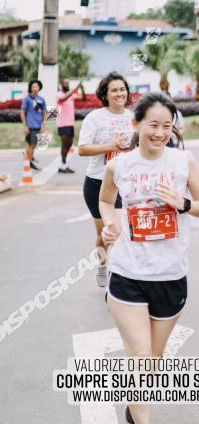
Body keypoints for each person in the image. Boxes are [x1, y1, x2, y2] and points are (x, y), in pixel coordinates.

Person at [100, 92, 199, 424]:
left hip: (170, 275)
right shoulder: (120, 165)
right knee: (141, 356)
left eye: (167, 126)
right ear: (137, 125)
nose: (160, 133)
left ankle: (135, 402)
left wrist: (181, 204)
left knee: (155, 359)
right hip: (128, 272)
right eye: (153, 125)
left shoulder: (184, 161)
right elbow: (105, 200)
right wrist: (111, 228)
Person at [77, 73, 134, 287]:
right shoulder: (95, 118)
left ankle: (119, 278)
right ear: (105, 94)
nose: (119, 93)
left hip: (125, 185)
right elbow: (82, 149)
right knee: (103, 234)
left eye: (122, 89)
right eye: (114, 90)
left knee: (119, 231)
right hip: (98, 184)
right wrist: (111, 146)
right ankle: (102, 264)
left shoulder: (132, 117)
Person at [20, 80, 47, 170]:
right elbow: (22, 112)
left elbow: (44, 112)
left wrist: (43, 125)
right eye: (33, 87)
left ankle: (28, 156)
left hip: (38, 125)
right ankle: (29, 163)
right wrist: (25, 126)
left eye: (36, 87)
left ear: (39, 88)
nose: (35, 88)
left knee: (34, 144)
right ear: (30, 88)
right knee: (30, 144)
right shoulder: (27, 99)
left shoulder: (41, 99)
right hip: (30, 126)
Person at [56, 78, 81, 173]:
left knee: (69, 144)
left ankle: (63, 165)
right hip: (62, 124)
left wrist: (81, 88)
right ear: (61, 84)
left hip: (70, 123)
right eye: (65, 83)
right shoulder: (59, 94)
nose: (67, 84)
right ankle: (62, 166)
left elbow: (83, 98)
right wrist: (75, 89)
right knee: (64, 145)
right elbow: (63, 98)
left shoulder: (71, 95)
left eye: (68, 83)